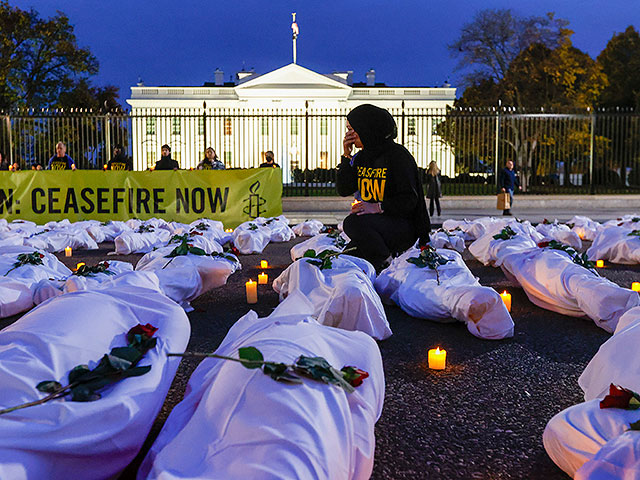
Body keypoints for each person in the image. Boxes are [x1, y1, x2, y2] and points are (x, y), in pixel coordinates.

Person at [336, 104, 430, 272]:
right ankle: (379, 264)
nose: (348, 134)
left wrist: (378, 207)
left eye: (352, 129)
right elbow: (343, 189)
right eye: (347, 129)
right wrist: (346, 156)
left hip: (401, 225)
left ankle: (386, 259)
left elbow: (410, 199)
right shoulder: (361, 158)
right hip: (372, 227)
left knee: (352, 223)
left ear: (367, 129)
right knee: (348, 259)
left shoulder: (398, 156)